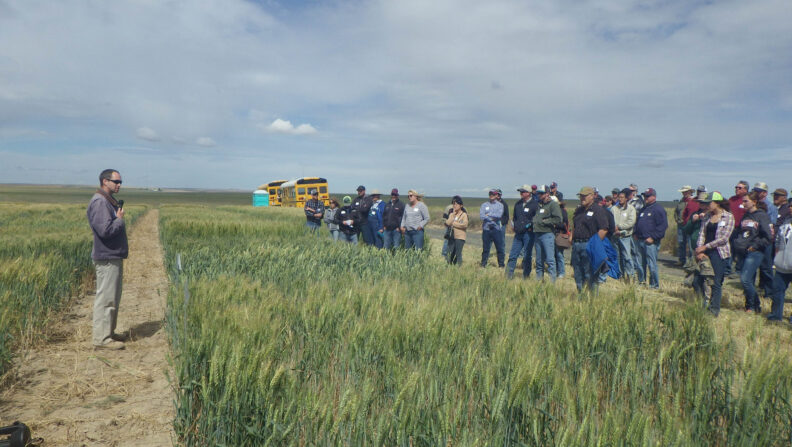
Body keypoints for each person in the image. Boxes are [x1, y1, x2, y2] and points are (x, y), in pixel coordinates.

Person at [86, 169, 128, 350]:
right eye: (116, 181)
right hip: (107, 258)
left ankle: (108, 333)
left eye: (120, 182)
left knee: (113, 297)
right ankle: (101, 339)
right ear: (105, 181)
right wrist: (119, 220)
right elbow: (105, 231)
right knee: (106, 299)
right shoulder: (100, 202)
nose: (119, 185)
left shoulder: (106, 201)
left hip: (112, 257)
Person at [694, 192, 734, 317]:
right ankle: (701, 305)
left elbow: (724, 238)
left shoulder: (728, 217)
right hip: (705, 252)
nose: (706, 206)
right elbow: (702, 233)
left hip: (718, 253)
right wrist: (699, 250)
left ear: (717, 203)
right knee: (698, 280)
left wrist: (705, 247)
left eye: (709, 203)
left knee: (715, 282)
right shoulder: (707, 217)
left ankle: (713, 310)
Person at [733, 192, 772, 313]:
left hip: (755, 252)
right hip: (743, 250)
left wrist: (755, 246)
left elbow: (768, 236)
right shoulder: (746, 216)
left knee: (745, 279)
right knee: (748, 280)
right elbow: (741, 232)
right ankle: (752, 306)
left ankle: (753, 305)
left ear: (754, 202)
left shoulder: (761, 216)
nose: (743, 203)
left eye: (746, 201)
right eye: (742, 201)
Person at [570, 186, 609, 293]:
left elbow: (604, 229)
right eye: (581, 196)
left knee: (590, 274)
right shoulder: (579, 210)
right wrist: (571, 237)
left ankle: (592, 299)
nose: (582, 198)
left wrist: (594, 244)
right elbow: (575, 225)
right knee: (578, 274)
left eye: (585, 196)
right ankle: (581, 296)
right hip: (577, 245)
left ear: (592, 196)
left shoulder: (598, 210)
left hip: (589, 244)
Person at [633, 188, 667, 289]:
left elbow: (663, 226)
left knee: (651, 265)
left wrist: (653, 237)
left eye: (648, 196)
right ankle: (641, 282)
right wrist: (635, 233)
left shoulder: (658, 209)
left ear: (654, 197)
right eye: (644, 196)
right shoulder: (644, 209)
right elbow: (638, 222)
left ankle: (654, 285)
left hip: (650, 242)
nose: (645, 198)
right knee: (640, 264)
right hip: (639, 240)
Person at [506, 185, 538, 278]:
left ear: (528, 193)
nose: (521, 193)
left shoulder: (535, 204)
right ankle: (508, 275)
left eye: (523, 192)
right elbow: (515, 217)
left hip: (529, 234)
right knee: (512, 255)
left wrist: (530, 225)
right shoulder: (518, 204)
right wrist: (514, 226)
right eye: (520, 192)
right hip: (518, 233)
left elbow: (536, 219)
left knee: (527, 256)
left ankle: (526, 276)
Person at [532, 185, 562, 282]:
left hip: (547, 234)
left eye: (541, 193)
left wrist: (545, 221)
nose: (539, 195)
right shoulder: (539, 205)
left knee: (550, 260)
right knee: (539, 261)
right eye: (538, 193)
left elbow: (558, 219)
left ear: (547, 194)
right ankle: (539, 281)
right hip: (537, 234)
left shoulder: (553, 205)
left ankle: (551, 282)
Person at [768, 209, 792, 322]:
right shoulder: (785, 222)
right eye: (790, 206)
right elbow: (778, 240)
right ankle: (776, 316)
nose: (791, 208)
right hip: (782, 263)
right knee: (777, 289)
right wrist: (777, 257)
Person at [727, 180, 750, 276]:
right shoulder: (731, 199)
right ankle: (727, 270)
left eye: (739, 188)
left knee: (740, 250)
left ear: (745, 189)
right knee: (729, 249)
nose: (737, 189)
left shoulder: (747, 200)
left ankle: (739, 270)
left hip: (742, 230)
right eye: (736, 187)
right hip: (731, 228)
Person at [613, 188, 637, 281]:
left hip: (625, 236)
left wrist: (619, 226)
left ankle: (631, 275)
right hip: (615, 236)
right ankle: (620, 275)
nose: (620, 199)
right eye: (619, 197)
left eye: (622, 197)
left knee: (627, 256)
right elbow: (610, 220)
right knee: (618, 257)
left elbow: (631, 222)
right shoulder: (614, 209)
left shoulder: (631, 209)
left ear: (626, 198)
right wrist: (613, 228)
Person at [480, 189, 505, 268]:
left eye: (493, 194)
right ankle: (483, 264)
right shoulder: (484, 205)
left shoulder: (500, 205)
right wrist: (491, 218)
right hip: (486, 229)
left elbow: (499, 215)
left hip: (496, 229)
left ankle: (501, 265)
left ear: (496, 195)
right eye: (490, 194)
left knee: (499, 248)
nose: (491, 195)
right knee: (486, 248)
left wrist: (488, 215)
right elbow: (482, 216)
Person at [675, 186, 695, 265]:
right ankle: (681, 260)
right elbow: (676, 211)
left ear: (690, 192)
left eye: (686, 191)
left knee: (690, 244)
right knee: (681, 242)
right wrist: (677, 219)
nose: (684, 193)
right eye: (683, 192)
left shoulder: (694, 201)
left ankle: (690, 261)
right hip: (680, 225)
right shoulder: (681, 201)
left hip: (689, 225)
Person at [446, 196, 468, 265]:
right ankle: (449, 267)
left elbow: (464, 225)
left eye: (456, 204)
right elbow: (447, 223)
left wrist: (454, 223)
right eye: (453, 204)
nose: (454, 205)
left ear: (461, 205)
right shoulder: (452, 214)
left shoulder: (464, 214)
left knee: (458, 254)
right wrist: (452, 215)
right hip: (451, 237)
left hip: (460, 237)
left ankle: (459, 268)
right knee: (449, 254)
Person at [553, 200, 570, 278]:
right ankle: (557, 271)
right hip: (553, 234)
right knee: (554, 254)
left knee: (559, 254)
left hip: (559, 234)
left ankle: (561, 272)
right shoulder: (554, 210)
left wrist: (555, 225)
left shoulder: (562, 211)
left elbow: (564, 224)